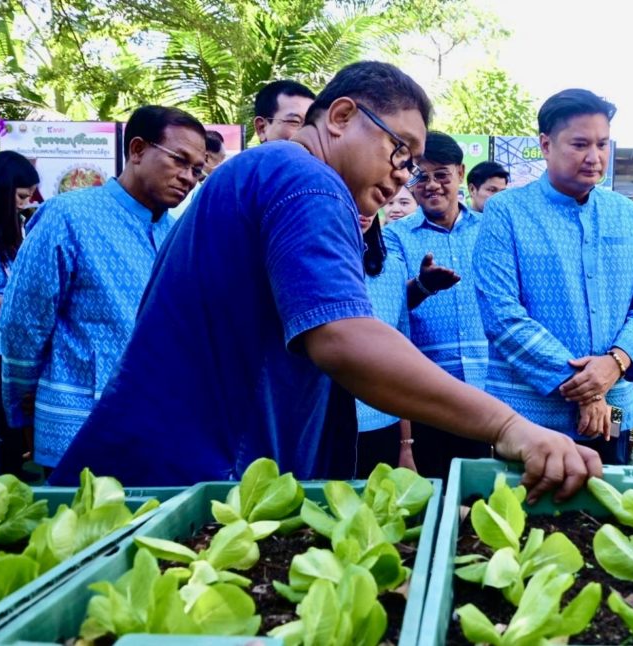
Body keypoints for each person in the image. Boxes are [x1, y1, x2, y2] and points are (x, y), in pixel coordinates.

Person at [49, 62, 601, 502]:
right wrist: (509, 426)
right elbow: (342, 337)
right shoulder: (307, 179)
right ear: (339, 117)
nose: (403, 174)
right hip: (193, 479)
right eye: (399, 150)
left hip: (168, 473)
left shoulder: (264, 172)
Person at [1, 106, 206, 470]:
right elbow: (24, 322)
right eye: (180, 161)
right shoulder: (68, 216)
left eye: (196, 169)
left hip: (154, 431)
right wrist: (24, 401)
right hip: (77, 427)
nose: (188, 177)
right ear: (138, 149)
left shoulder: (177, 233)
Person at [474, 88, 633, 465]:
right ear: (546, 144)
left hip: (614, 407)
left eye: (603, 144)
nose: (594, 157)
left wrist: (615, 363)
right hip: (528, 414)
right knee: (521, 518)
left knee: (608, 516)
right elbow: (501, 314)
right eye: (580, 144)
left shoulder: (626, 216)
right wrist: (588, 389)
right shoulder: (506, 212)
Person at [381, 132, 492, 478]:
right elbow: (390, 308)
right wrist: (423, 285)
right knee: (432, 489)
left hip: (488, 388)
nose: (431, 185)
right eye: (421, 176)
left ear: (460, 173)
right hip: (426, 391)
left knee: (483, 491)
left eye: (441, 175)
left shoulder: (491, 230)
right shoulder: (394, 236)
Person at [353, 209, 413, 477]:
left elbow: (401, 362)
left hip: (381, 423)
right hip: (321, 429)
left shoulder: (392, 269)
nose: (362, 209)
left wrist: (406, 446)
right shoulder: (307, 266)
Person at [0, 151, 39, 475]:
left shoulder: (12, 230)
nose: (24, 204)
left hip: (9, 345)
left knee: (11, 433)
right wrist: (18, 302)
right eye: (20, 196)